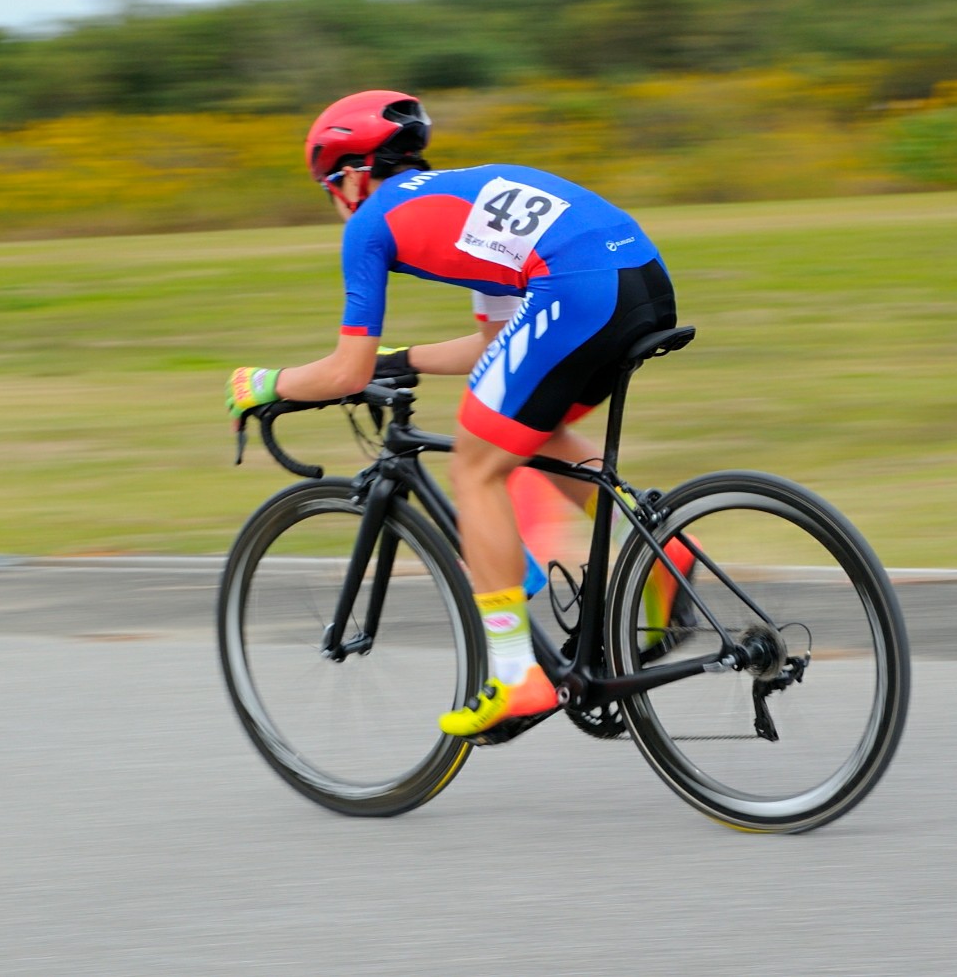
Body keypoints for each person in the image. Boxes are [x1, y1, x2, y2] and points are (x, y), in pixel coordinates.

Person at [226, 89, 678, 740]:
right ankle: (662, 551)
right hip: (639, 282)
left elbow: (343, 372)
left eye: (328, 184)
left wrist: (264, 384)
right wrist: (401, 358)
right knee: (529, 426)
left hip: (577, 290)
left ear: (351, 173)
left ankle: (516, 675)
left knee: (474, 466)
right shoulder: (466, 199)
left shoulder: (369, 222)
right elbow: (495, 348)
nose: (334, 199)